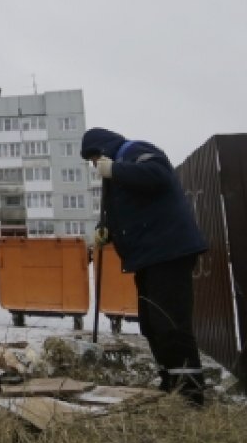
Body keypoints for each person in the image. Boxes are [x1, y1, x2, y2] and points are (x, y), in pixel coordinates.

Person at [81, 127, 208, 405]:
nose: (94, 165)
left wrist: (116, 169)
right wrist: (107, 230)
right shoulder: (117, 172)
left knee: (171, 322)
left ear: (104, 150)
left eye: (94, 159)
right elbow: (127, 210)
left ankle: (190, 392)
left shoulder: (135, 152)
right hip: (150, 257)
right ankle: (171, 381)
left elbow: (158, 176)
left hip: (169, 251)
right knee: (152, 324)